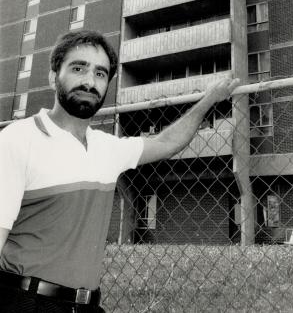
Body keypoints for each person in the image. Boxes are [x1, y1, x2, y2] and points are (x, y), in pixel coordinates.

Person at [0, 30, 239, 312]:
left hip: (87, 304)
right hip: (25, 302)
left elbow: (166, 142)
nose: (90, 82)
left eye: (100, 74)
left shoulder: (107, 148)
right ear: (54, 76)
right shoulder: (18, 140)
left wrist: (209, 100)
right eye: (79, 68)